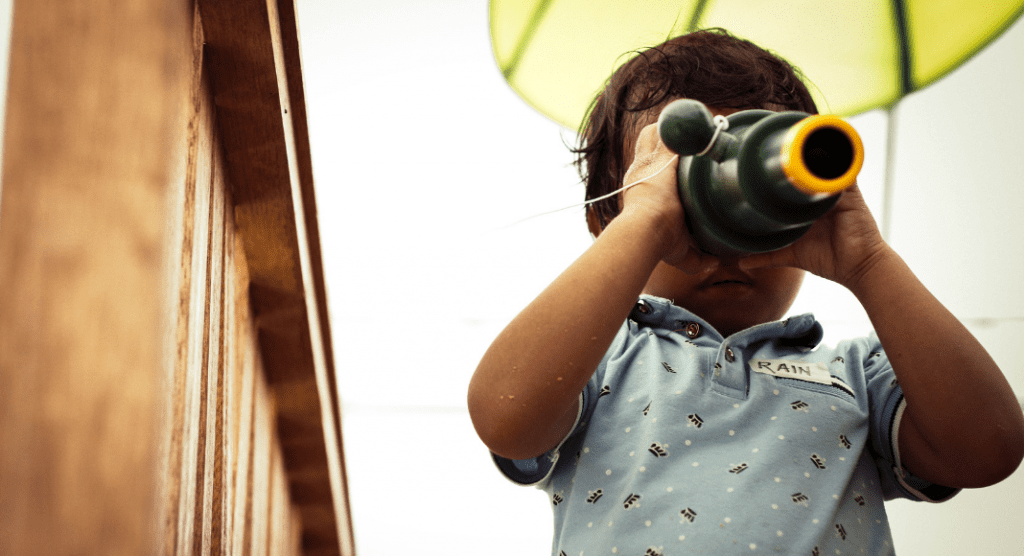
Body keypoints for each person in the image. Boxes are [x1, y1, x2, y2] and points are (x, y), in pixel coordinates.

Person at [468, 28, 1024, 555]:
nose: (729, 240)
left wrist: (868, 261)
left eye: (756, 196)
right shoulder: (598, 360)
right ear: (607, 219)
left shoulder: (857, 377)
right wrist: (647, 223)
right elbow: (505, 417)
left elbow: (988, 449)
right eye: (691, 195)